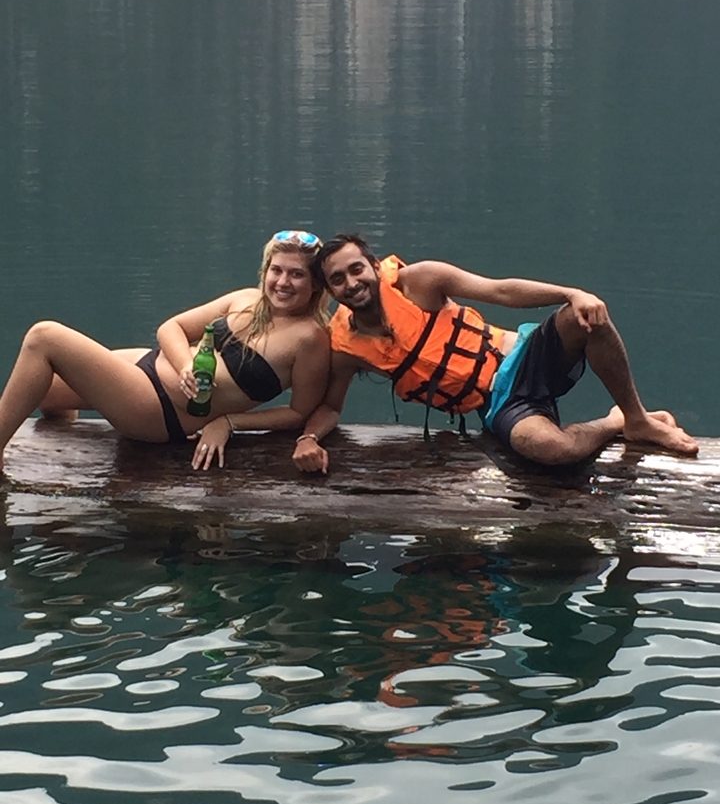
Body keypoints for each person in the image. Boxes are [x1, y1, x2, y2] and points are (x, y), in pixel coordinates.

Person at [292, 234, 698, 474]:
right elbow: (330, 406)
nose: (352, 282)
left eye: (357, 269)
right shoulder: (344, 347)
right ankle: (614, 422)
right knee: (553, 451)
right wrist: (308, 438)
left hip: (521, 356)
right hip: (499, 403)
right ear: (330, 292)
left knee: (587, 315)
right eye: (338, 280)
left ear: (376, 266)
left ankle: (639, 418)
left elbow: (500, 290)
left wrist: (571, 294)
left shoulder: (422, 281)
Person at [0, 231, 330, 474]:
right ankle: (59, 456)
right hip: (145, 366)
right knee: (44, 389)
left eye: (296, 274)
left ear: (315, 284)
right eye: (277, 270)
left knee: (44, 338)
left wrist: (228, 422)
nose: (283, 281)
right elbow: (172, 328)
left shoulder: (310, 339)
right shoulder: (246, 300)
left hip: (159, 411)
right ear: (265, 270)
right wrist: (186, 364)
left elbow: (299, 412)